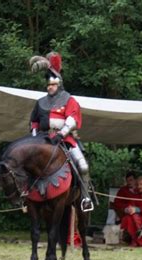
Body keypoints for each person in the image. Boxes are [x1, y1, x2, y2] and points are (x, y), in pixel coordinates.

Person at [29, 52, 94, 211]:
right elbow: (34, 122)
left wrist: (61, 133)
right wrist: (35, 138)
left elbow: (72, 119)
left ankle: (85, 198)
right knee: (26, 162)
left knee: (83, 166)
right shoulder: (40, 102)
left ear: (59, 85)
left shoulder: (69, 100)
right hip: (43, 140)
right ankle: (26, 194)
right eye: (48, 85)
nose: (50, 87)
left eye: (53, 84)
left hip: (65, 140)